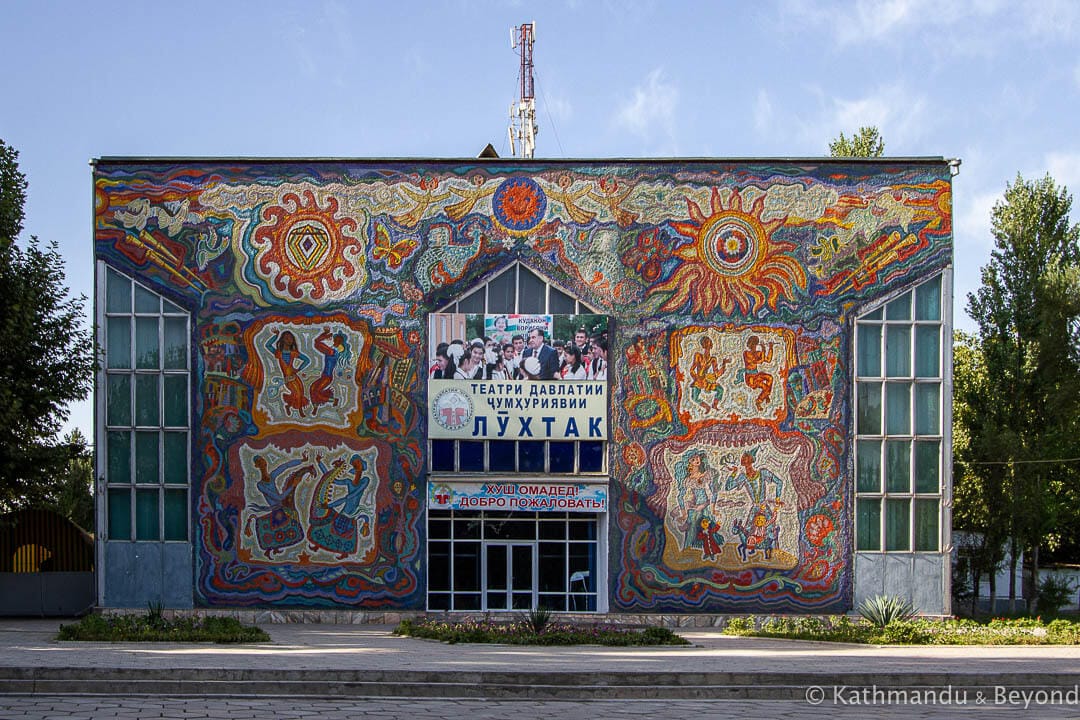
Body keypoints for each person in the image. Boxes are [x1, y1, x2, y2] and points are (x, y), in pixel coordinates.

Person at [266, 330, 310, 417]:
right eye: (286, 338)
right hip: (287, 379)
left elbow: (307, 360)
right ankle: (300, 410)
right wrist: (276, 335)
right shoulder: (279, 353)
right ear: (282, 340)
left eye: (291, 338)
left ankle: (288, 406)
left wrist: (297, 370)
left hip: (295, 376)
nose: (289, 340)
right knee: (297, 393)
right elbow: (268, 345)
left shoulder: (293, 353)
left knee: (300, 393)